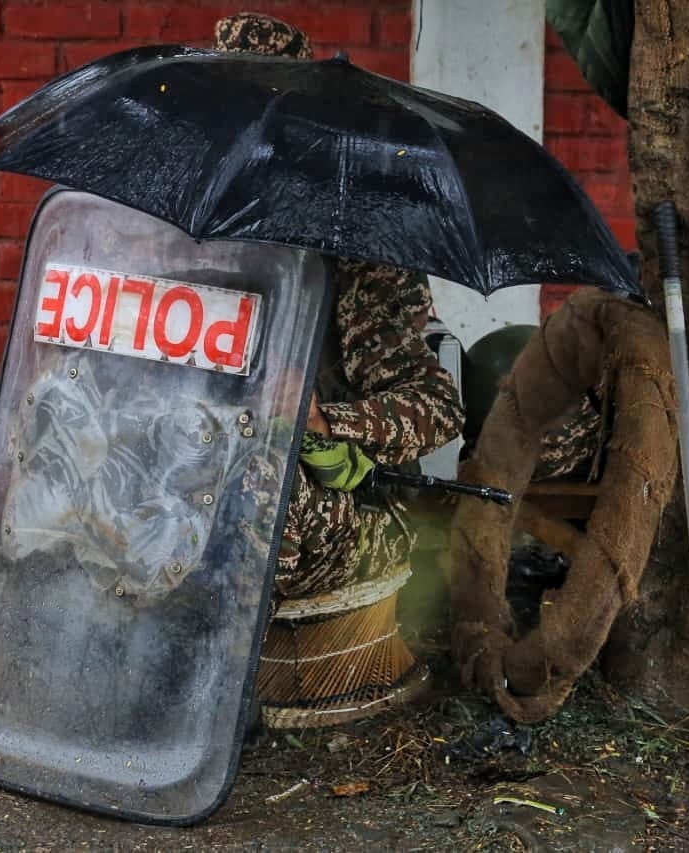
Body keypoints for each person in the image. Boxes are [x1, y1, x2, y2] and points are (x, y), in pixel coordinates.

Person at [213, 13, 465, 600]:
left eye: (272, 122)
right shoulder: (186, 238)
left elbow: (437, 407)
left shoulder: (360, 252)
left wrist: (327, 420)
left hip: (339, 507)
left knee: (257, 489)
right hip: (204, 464)